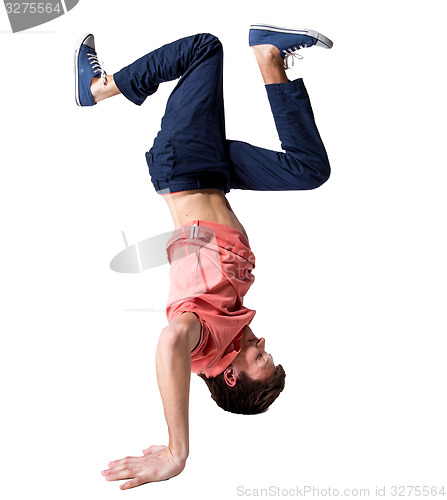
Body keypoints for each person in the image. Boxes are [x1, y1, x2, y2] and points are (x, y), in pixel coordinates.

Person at [75, 24, 332, 489]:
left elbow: (170, 341)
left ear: (231, 377)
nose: (262, 346)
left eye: (260, 360)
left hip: (186, 165)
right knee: (309, 170)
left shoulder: (202, 344)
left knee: (203, 49)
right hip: (213, 172)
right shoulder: (231, 329)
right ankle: (271, 59)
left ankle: (97, 89)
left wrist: (178, 450)